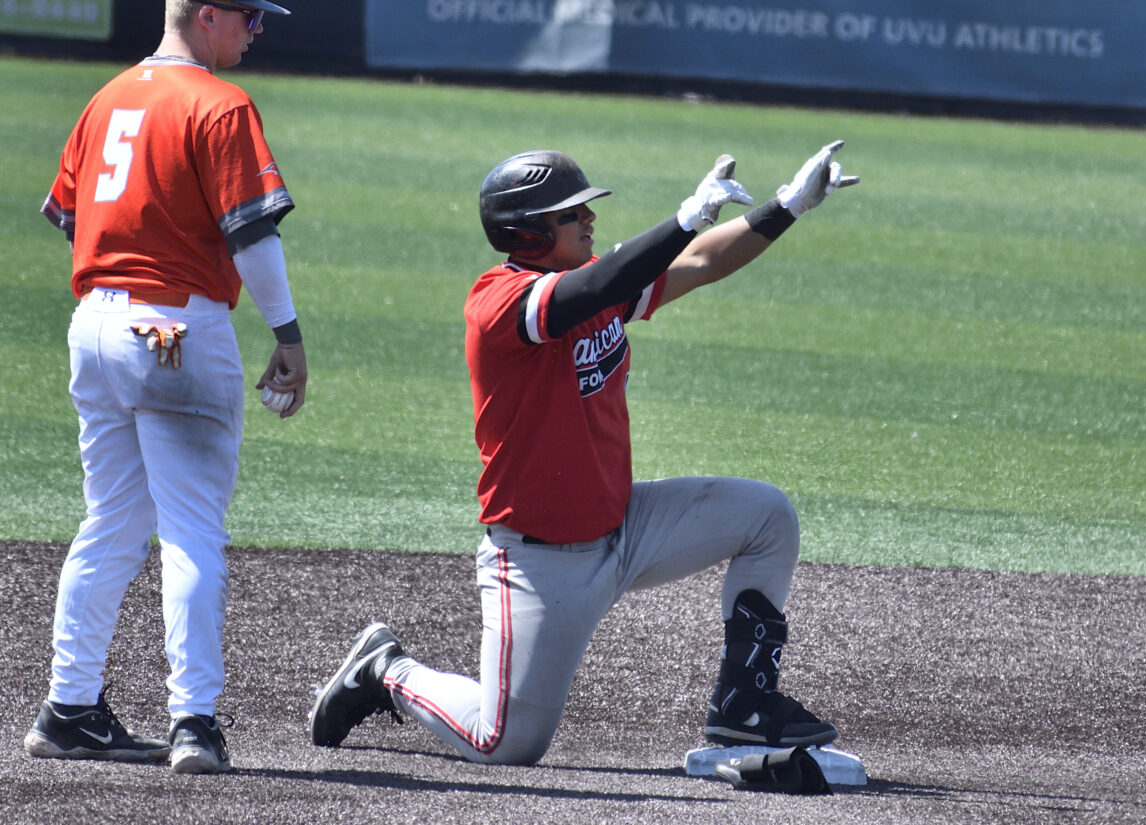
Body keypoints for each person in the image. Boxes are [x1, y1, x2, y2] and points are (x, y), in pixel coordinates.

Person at [310, 143, 857, 765]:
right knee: (506, 742)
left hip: (625, 527)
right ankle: (386, 669)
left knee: (767, 517)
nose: (590, 218)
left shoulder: (597, 287)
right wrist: (685, 217)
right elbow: (596, 285)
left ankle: (744, 707)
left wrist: (788, 205)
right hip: (541, 562)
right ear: (529, 231)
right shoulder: (500, 302)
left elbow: (700, 262)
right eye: (572, 213)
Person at [24, 0, 304, 775]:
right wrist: (287, 335)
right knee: (190, 530)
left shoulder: (107, 97)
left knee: (111, 520)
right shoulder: (220, 103)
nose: (256, 30)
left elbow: (73, 217)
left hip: (95, 325)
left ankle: (69, 707)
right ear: (207, 15)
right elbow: (252, 234)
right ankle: (194, 722)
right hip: (176, 328)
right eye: (250, 16)